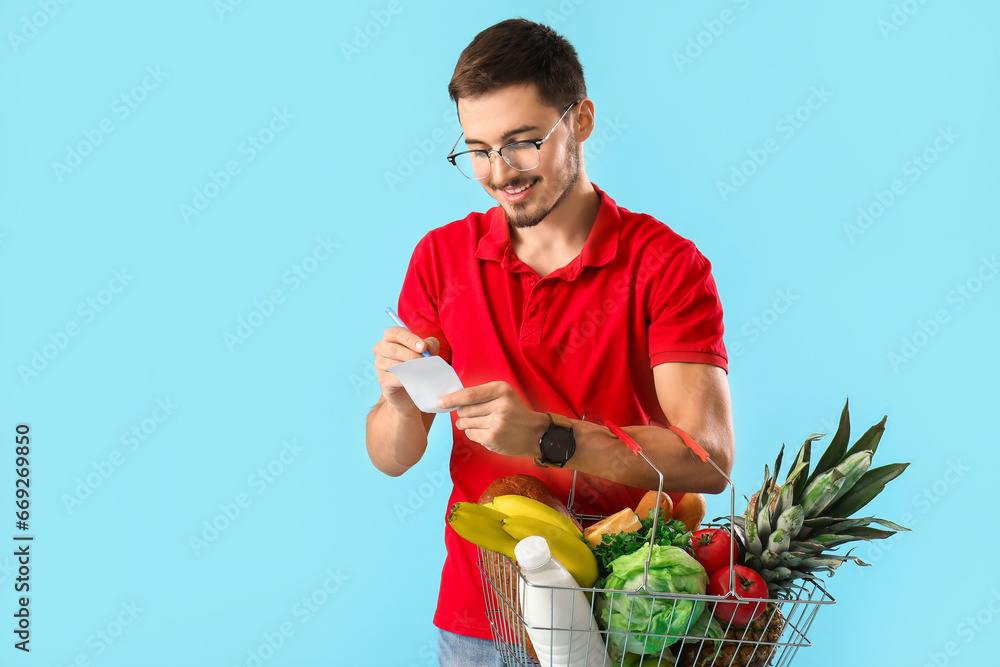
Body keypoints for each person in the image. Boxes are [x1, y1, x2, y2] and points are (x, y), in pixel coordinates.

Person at [366, 18, 735, 667]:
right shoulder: (440, 258)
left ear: (582, 119)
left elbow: (706, 459)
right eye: (477, 149)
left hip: (624, 620)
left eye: (521, 142)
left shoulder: (667, 266)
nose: (499, 171)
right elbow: (393, 456)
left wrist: (545, 437)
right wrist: (398, 405)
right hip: (480, 618)